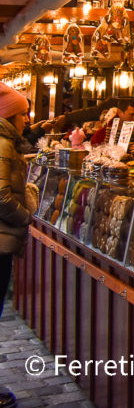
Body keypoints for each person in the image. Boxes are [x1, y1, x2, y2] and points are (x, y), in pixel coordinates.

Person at [0, 83, 34, 408]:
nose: (28, 119)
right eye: (24, 113)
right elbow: (0, 195)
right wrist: (24, 214)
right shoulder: (3, 145)